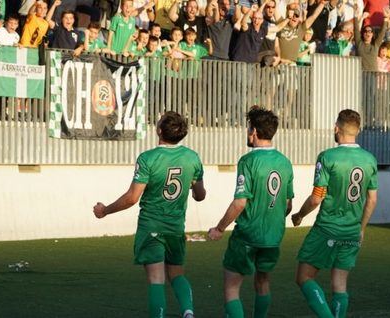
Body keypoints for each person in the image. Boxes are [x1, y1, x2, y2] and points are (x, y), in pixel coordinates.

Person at [93, 111, 206, 318]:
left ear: (160, 130)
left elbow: (131, 198)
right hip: (175, 227)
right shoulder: (193, 158)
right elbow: (200, 195)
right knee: (177, 275)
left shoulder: (148, 158)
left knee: (156, 279)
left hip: (151, 226)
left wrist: (105, 210)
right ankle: (188, 312)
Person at [208, 106, 294, 318]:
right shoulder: (284, 162)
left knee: (231, 287)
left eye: (248, 127)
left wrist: (219, 228)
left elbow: (240, 202)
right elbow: (288, 204)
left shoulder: (248, 161)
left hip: (248, 235)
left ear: (254, 131)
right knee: (263, 282)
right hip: (273, 237)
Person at [291, 109, 378, 318]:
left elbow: (316, 197)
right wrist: (361, 229)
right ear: (357, 131)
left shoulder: (328, 157)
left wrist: (300, 215)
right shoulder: (370, 159)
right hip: (352, 231)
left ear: (336, 128)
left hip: (327, 229)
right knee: (339, 284)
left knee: (304, 277)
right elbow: (372, 199)